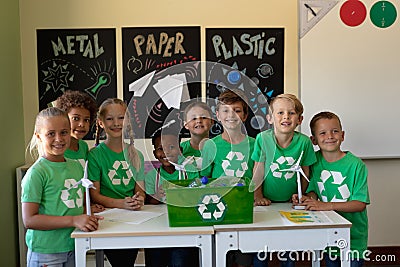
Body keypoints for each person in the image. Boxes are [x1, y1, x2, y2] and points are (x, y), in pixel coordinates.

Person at [22, 107, 102, 267]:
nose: (59, 139)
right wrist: (74, 219)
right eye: (51, 134)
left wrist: (87, 213)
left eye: (64, 132)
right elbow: (30, 219)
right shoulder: (36, 173)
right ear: (39, 137)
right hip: (47, 252)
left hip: (73, 244)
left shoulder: (76, 167)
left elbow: (68, 202)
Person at [293, 111, 369, 267]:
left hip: (352, 238)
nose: (330, 136)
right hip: (328, 235)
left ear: (342, 135)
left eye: (335, 131)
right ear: (313, 140)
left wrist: (327, 206)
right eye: (323, 133)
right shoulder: (314, 161)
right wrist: (307, 198)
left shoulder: (356, 165)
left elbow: (359, 203)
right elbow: (314, 190)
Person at [252, 94, 316, 267]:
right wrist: (257, 196)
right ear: (270, 118)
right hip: (266, 202)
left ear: (300, 119)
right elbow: (258, 168)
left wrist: (299, 195)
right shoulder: (263, 139)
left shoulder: (304, 142)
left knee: (290, 244)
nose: (286, 117)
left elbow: (305, 171)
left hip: (291, 203)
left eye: (291, 113)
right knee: (261, 246)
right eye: (280, 113)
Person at [88, 98, 145, 267]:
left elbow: (140, 189)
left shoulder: (136, 154)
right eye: (109, 118)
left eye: (121, 118)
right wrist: (120, 203)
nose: (116, 123)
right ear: (101, 122)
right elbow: (94, 194)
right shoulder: (95, 155)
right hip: (108, 217)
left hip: (132, 218)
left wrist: (139, 199)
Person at [200, 89, 255, 267]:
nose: (231, 115)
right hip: (217, 209)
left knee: (244, 260)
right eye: (225, 110)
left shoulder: (255, 144)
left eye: (237, 110)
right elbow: (204, 179)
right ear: (217, 115)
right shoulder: (211, 145)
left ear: (245, 116)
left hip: (245, 209)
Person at [144, 126, 199, 267]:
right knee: (155, 257)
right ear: (155, 153)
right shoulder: (152, 176)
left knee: (179, 259)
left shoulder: (190, 172)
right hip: (158, 228)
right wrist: (158, 195)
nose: (166, 152)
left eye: (171, 147)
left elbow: (198, 197)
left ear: (180, 149)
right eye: (160, 149)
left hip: (184, 228)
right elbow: (148, 204)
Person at [55, 90, 98, 167]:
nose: (81, 124)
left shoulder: (83, 146)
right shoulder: (58, 149)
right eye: (76, 118)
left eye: (86, 120)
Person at [181, 101, 213, 169]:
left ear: (211, 122)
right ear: (186, 124)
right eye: (194, 118)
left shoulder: (218, 147)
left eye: (204, 117)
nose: (199, 121)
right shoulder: (180, 150)